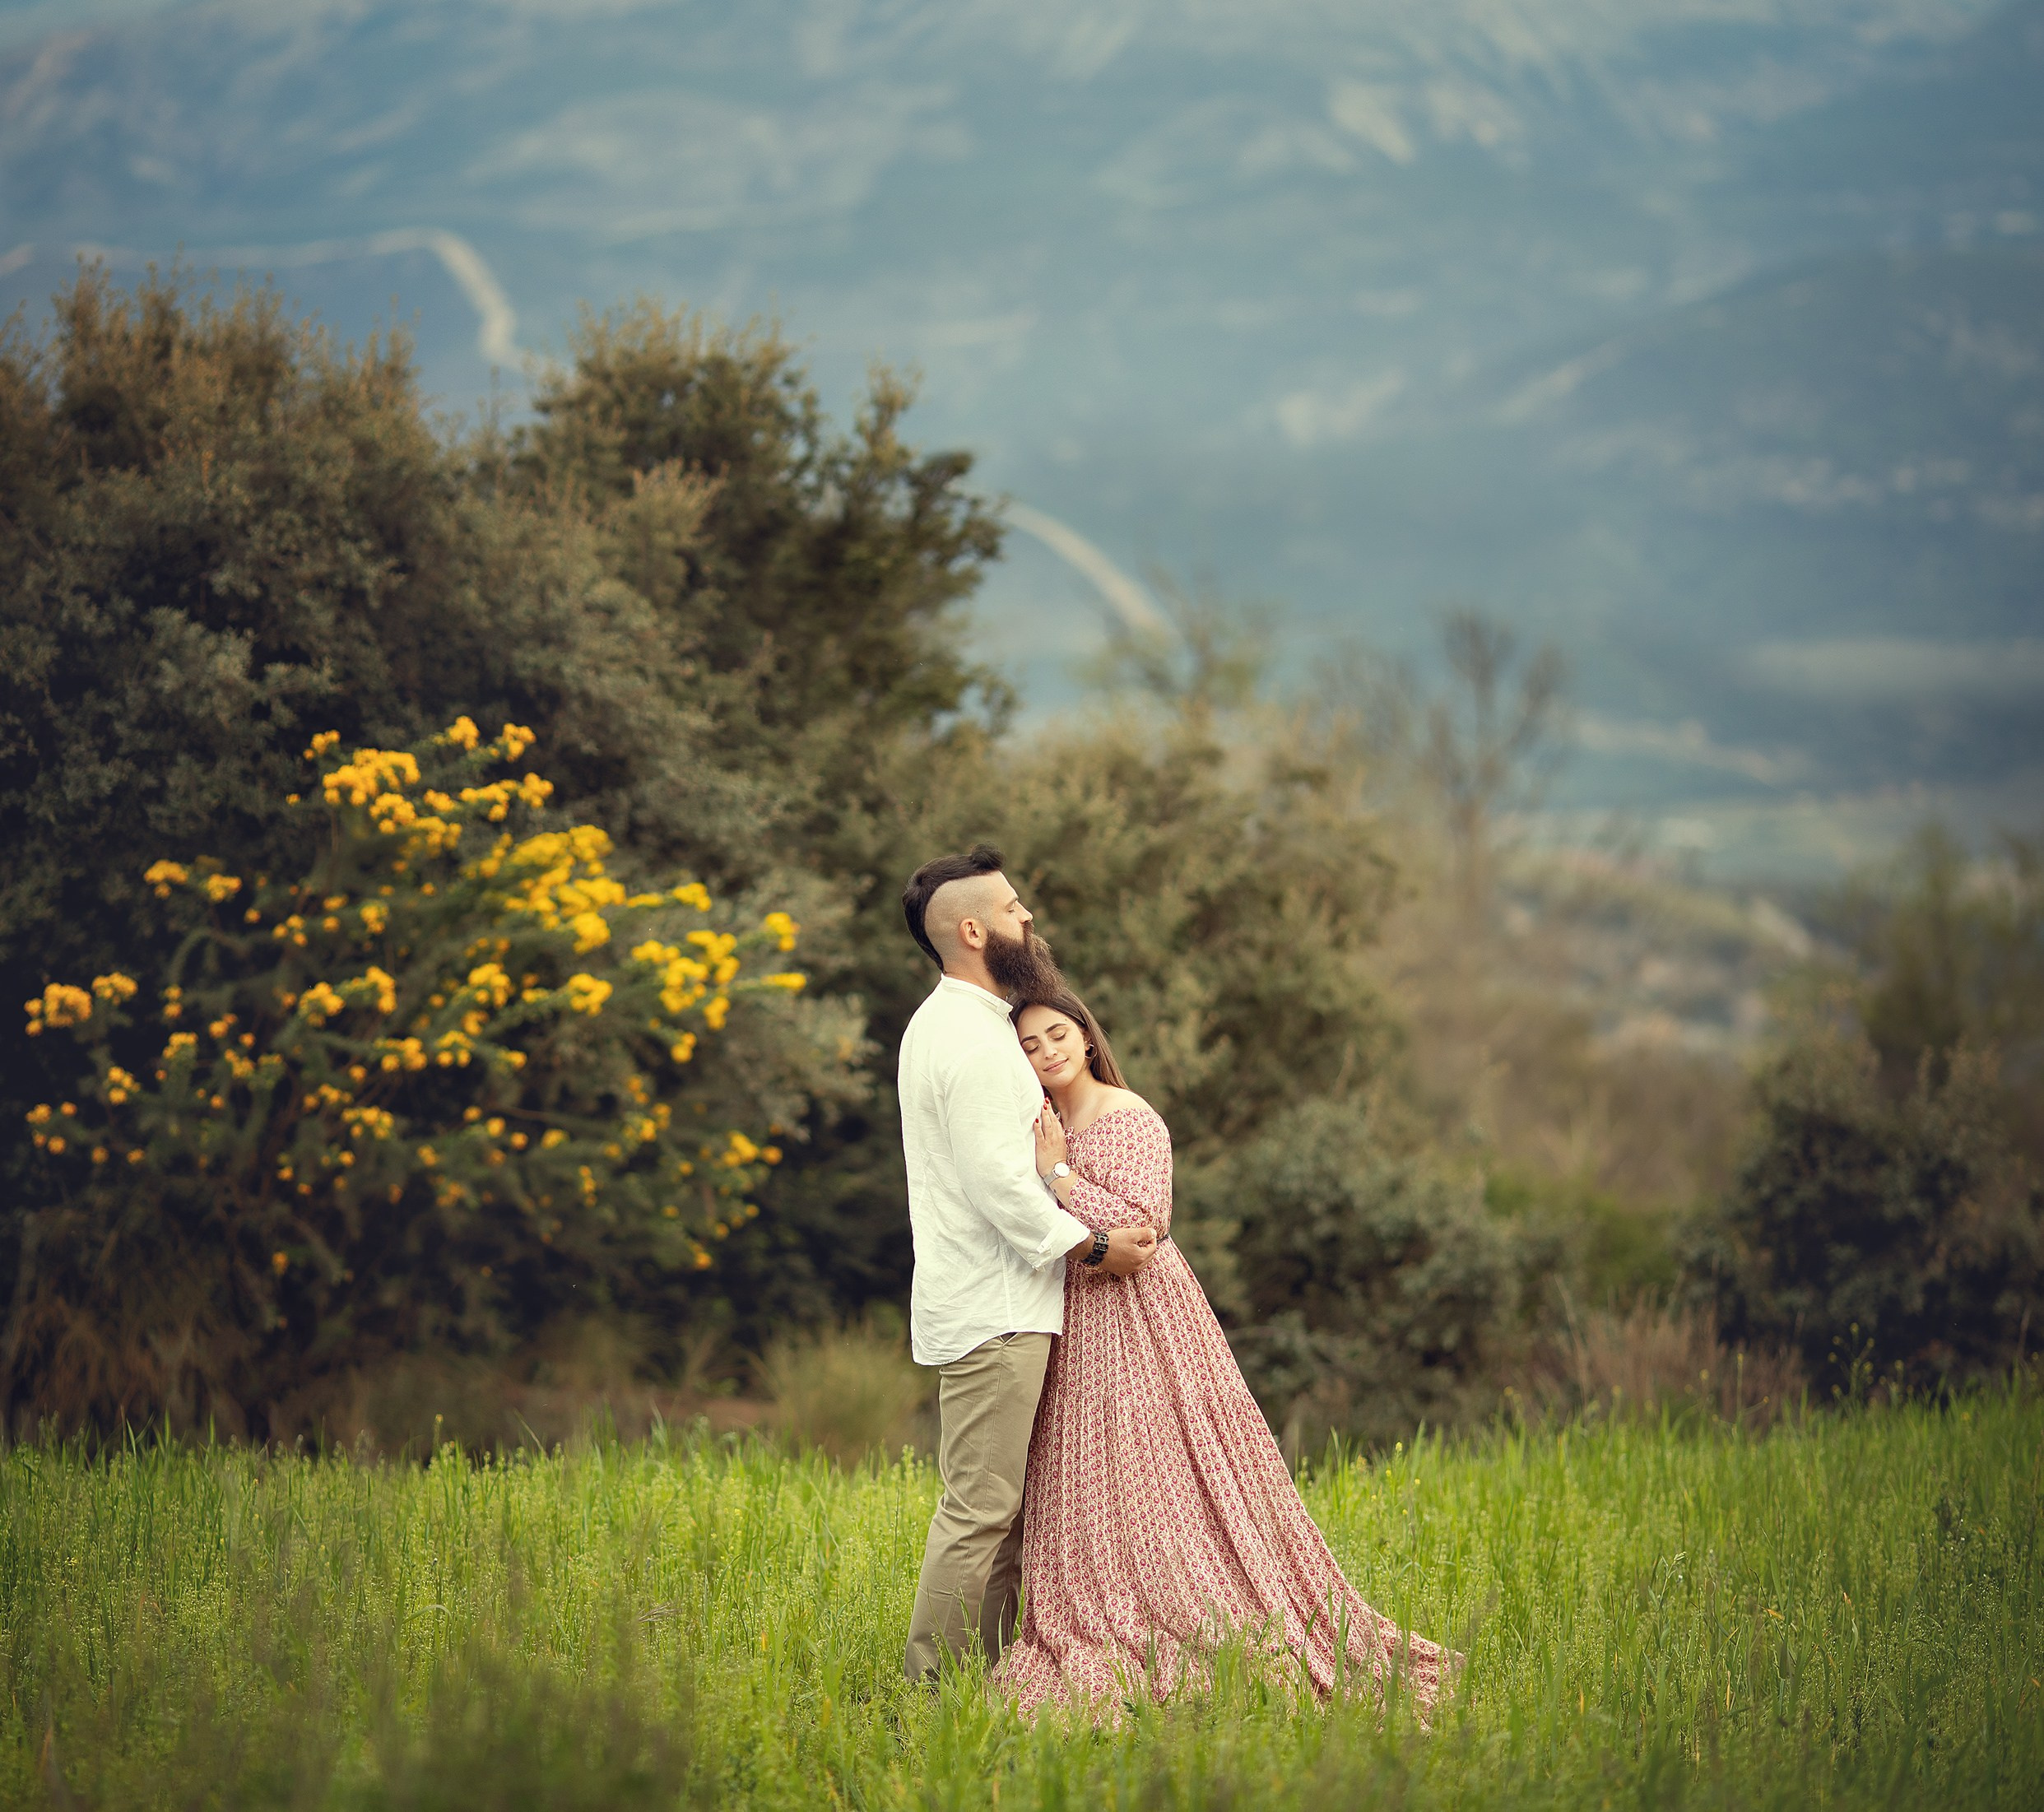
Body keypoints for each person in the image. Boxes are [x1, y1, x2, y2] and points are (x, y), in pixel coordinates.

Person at [992, 983, 1457, 1721]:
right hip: (1072, 1310)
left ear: (1085, 1034)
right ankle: (1092, 1603)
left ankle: (1191, 1603)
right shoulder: (1039, 1121)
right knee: (1086, 1462)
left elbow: (1146, 1229)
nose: (1045, 1052)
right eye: (1028, 1045)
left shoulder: (1129, 1116)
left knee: (1153, 1461)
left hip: (1141, 1315)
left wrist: (1059, 1177)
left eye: (1055, 1035)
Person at [897, 845, 1160, 1684]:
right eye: (1013, 909)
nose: (1028, 919)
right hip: (996, 1309)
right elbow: (998, 1189)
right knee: (980, 1514)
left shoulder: (964, 1026)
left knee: (1002, 1517)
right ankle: (928, 1694)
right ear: (972, 930)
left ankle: (989, 1679)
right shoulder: (971, 1044)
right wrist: (1092, 1246)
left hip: (1002, 1305)